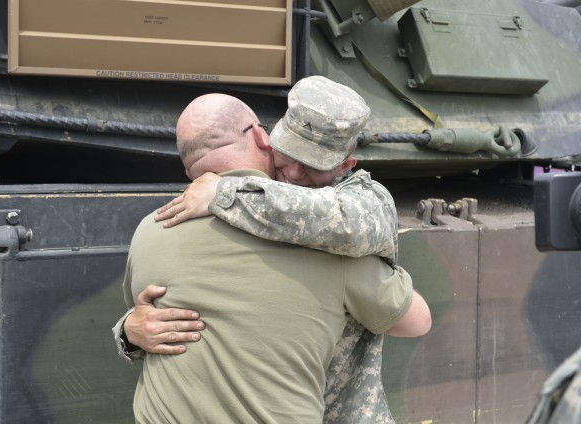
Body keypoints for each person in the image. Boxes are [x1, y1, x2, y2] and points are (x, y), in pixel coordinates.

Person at [120, 91, 425, 423]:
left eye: (312, 165)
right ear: (263, 137)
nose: (294, 174)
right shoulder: (327, 248)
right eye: (288, 154)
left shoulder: (149, 231)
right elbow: (417, 320)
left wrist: (226, 193)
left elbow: (351, 219)